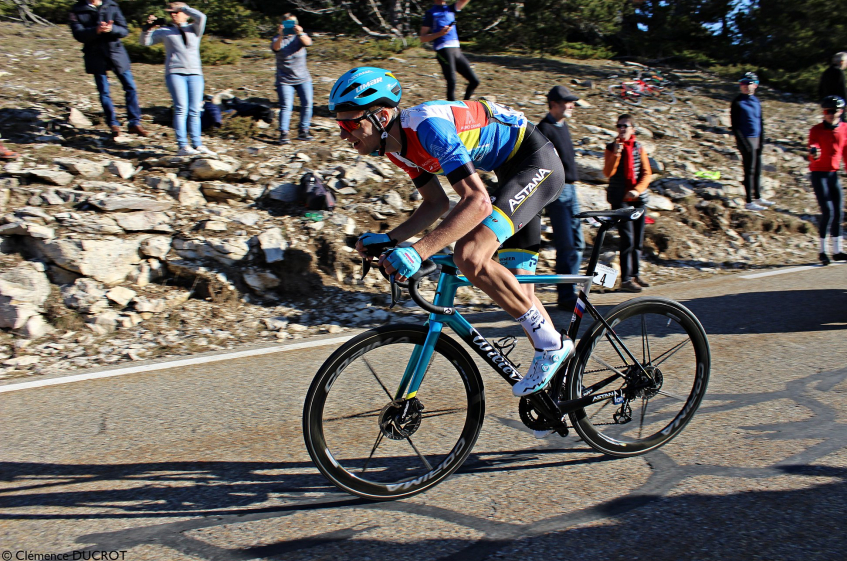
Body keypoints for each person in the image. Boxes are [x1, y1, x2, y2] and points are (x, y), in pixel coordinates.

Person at [331, 67, 572, 400]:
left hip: (535, 164)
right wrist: (391, 239)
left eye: (350, 124)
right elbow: (436, 203)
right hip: (509, 175)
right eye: (339, 125)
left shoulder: (428, 128)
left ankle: (552, 347)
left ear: (382, 115)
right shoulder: (395, 147)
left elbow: (477, 201)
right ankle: (562, 393)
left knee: (470, 254)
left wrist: (419, 251)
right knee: (517, 293)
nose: (344, 135)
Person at [141, 3, 216, 157]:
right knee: (181, 108)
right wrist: (147, 28)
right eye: (171, 13)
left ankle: (198, 144)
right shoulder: (164, 31)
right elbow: (145, 42)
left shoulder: (194, 29)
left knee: (195, 110)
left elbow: (202, 17)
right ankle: (183, 145)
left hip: (195, 74)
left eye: (176, 13)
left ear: (186, 14)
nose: (173, 15)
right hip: (175, 73)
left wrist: (184, 7)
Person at [68, 0, 149, 139]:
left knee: (130, 87)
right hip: (95, 54)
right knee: (104, 91)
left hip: (116, 53)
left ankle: (134, 123)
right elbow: (78, 34)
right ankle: (113, 124)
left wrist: (112, 29)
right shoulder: (76, 10)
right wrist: (96, 30)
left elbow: (124, 30)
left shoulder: (112, 6)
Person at [536, 86, 584, 312]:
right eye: (567, 101)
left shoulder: (562, 126)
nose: (572, 105)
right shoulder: (544, 129)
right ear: (554, 104)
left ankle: (570, 291)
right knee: (566, 243)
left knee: (577, 243)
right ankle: (566, 296)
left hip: (572, 190)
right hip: (558, 191)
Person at [603, 114, 652, 293]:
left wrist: (637, 190)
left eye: (625, 126)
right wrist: (617, 152)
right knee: (627, 239)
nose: (622, 129)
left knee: (638, 239)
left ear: (633, 129)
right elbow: (608, 172)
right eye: (619, 126)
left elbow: (647, 173)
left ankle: (635, 274)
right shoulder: (611, 147)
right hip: (620, 199)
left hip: (638, 199)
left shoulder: (639, 148)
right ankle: (625, 279)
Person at [808, 96, 847, 265]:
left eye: (834, 111)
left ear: (841, 111)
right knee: (828, 212)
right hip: (819, 174)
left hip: (833, 174)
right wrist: (814, 151)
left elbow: (845, 150)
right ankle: (822, 251)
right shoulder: (816, 129)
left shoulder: (845, 128)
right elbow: (814, 144)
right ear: (823, 112)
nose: (831, 114)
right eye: (827, 111)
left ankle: (837, 251)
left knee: (838, 212)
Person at [420, 0, 480, 102]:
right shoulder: (431, 13)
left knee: (474, 81)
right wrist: (440, 33)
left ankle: (465, 105)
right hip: (443, 50)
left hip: (456, 50)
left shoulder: (450, 9)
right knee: (452, 82)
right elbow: (422, 38)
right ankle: (451, 109)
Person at [730, 72, 773, 211]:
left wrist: (762, 140)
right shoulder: (737, 102)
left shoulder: (756, 101)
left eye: (749, 84)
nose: (746, 87)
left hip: (757, 138)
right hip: (746, 139)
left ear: (755, 85)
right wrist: (744, 143)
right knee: (749, 170)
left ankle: (758, 197)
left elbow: (760, 121)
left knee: (757, 169)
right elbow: (735, 126)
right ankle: (749, 201)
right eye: (743, 84)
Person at [271, 14, 314, 145]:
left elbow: (309, 43)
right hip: (284, 80)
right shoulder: (277, 38)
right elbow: (275, 48)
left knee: (307, 104)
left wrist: (300, 33)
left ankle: (304, 130)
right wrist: (281, 34)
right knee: (286, 106)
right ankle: (284, 133)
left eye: (293, 22)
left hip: (303, 78)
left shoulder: (300, 37)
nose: (290, 25)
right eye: (287, 23)